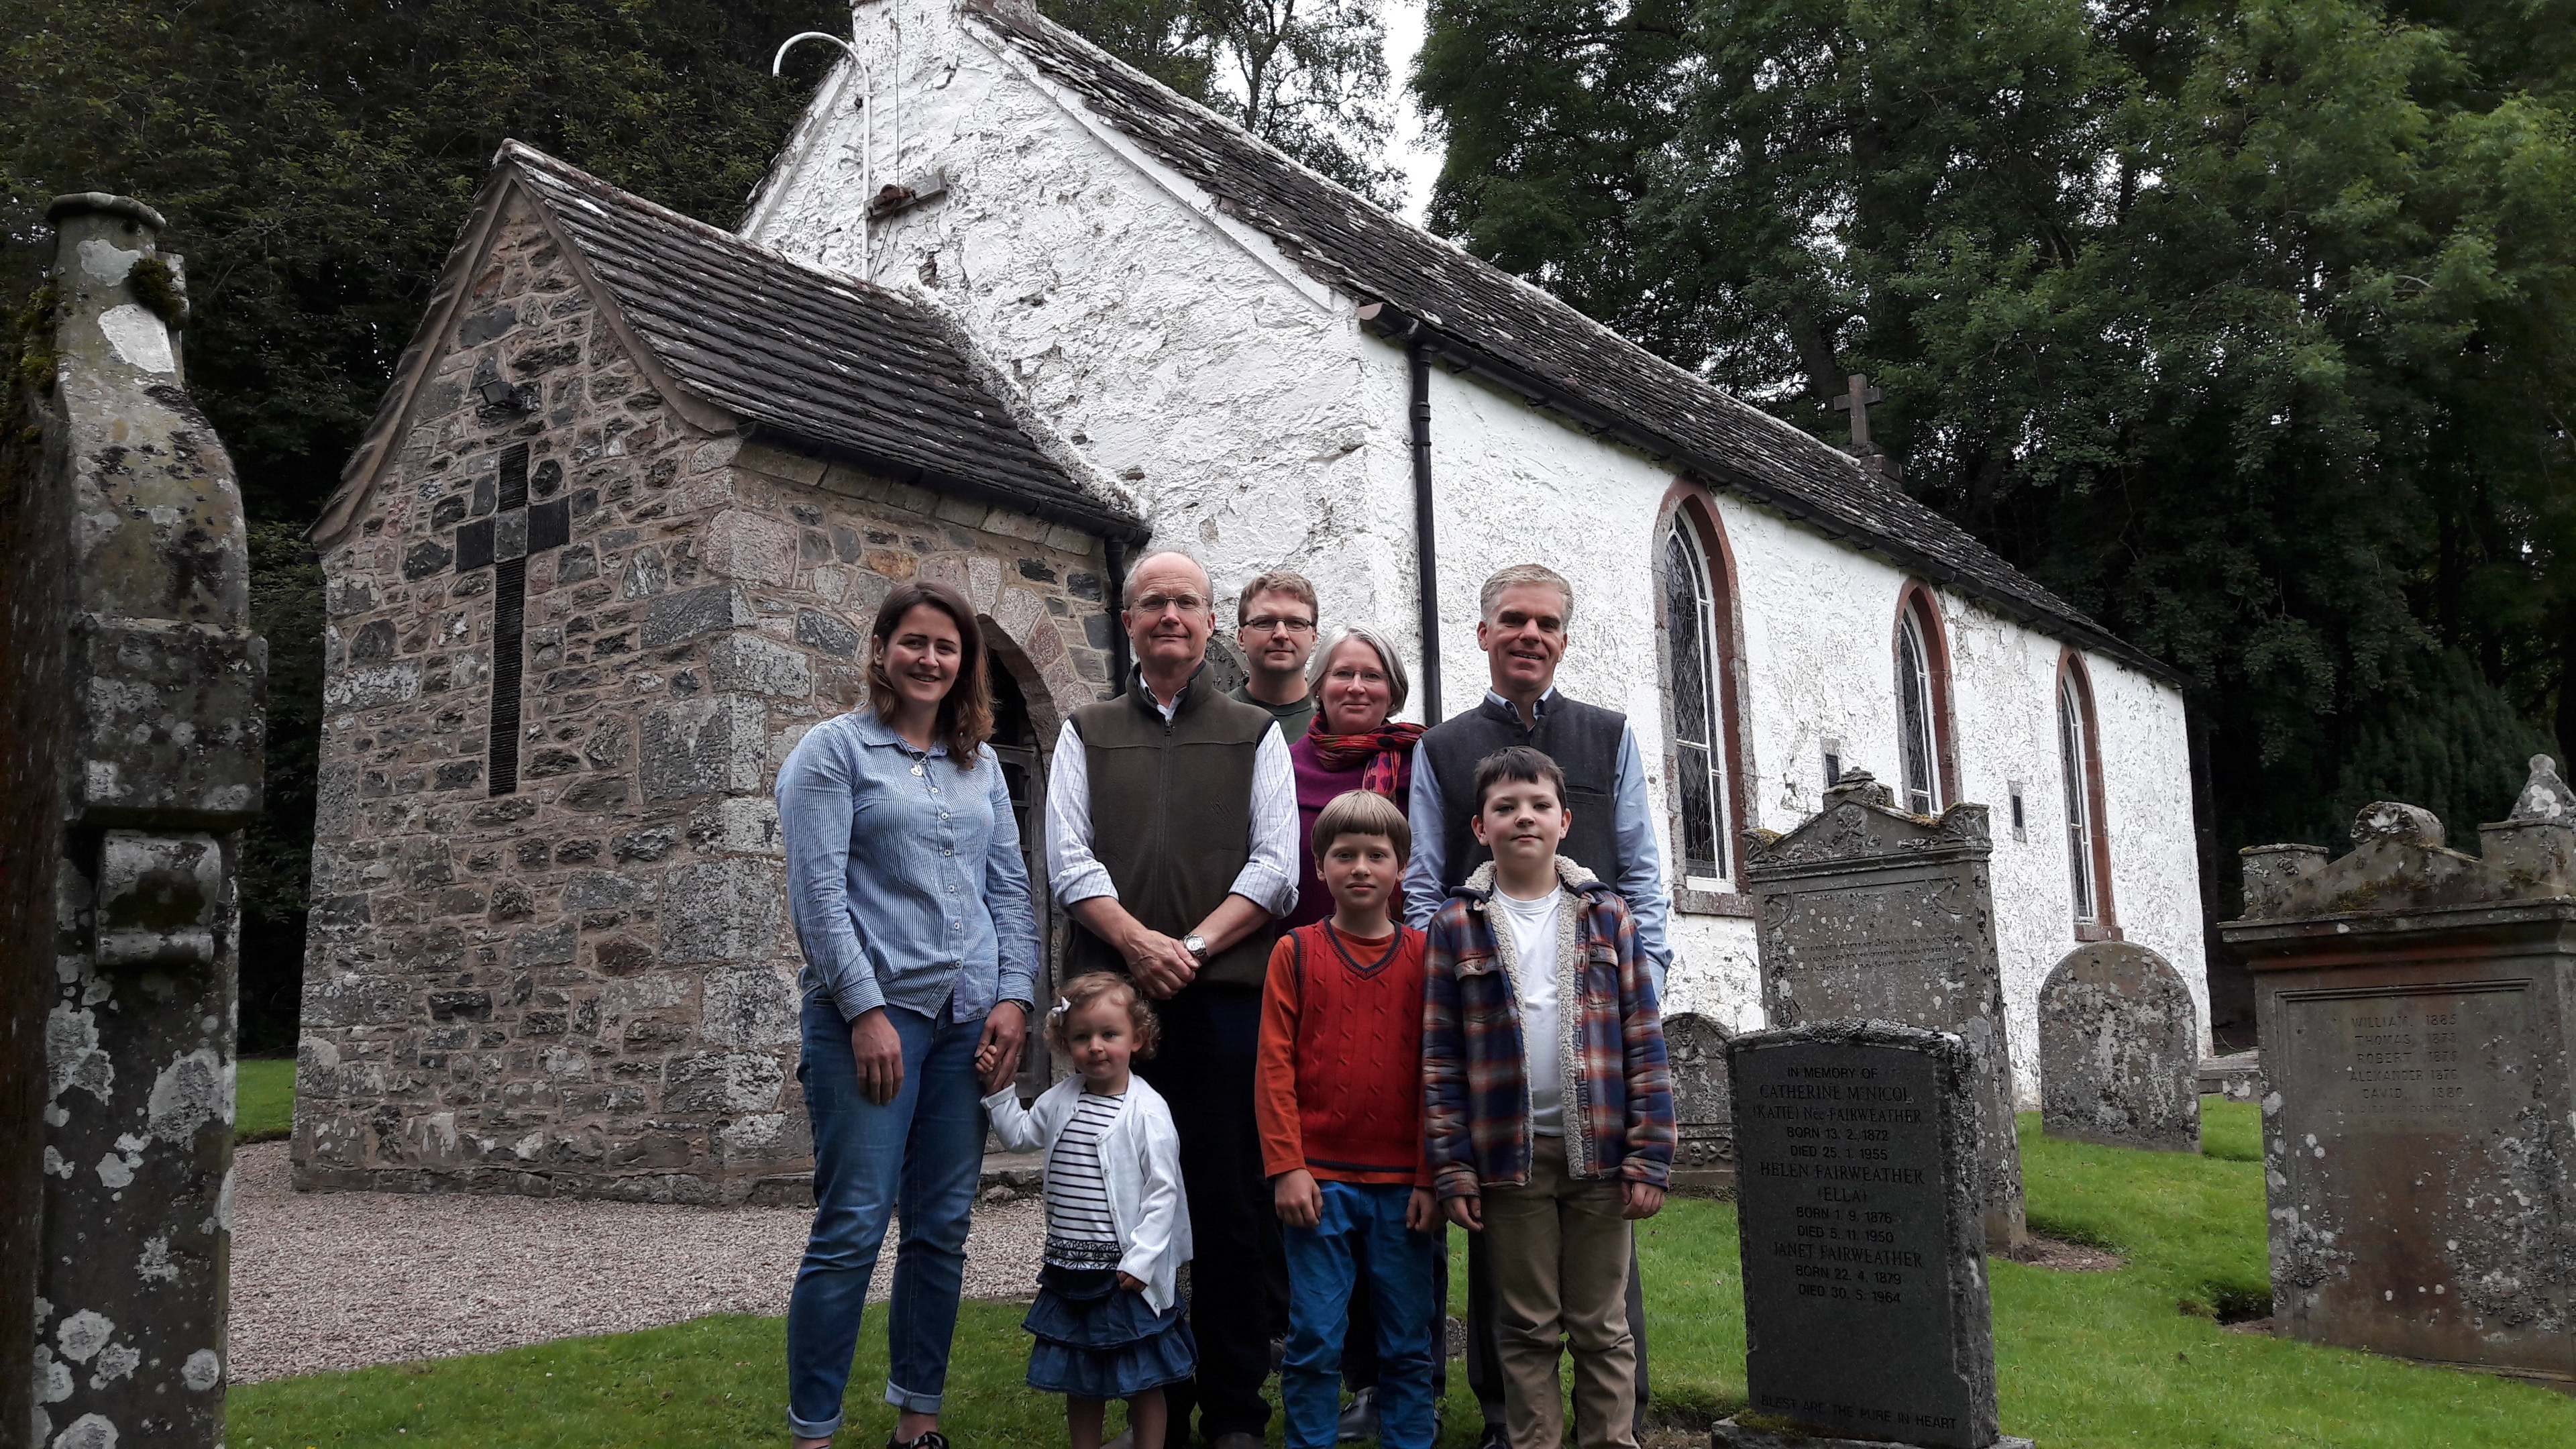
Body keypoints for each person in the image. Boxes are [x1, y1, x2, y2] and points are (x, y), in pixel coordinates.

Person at [1402, 562, 1670, 1449]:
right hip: (1494, 1050)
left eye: (1545, 623)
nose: (1528, 634)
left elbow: (1641, 868)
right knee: (1511, 1302)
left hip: (1599, 1046)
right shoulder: (1441, 751)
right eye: (1511, 619)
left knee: (1603, 1308)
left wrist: (1643, 991)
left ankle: (1613, 1429)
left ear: (1563, 637)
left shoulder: (1609, 737)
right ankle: (1507, 1425)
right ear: (1483, 633)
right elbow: (1417, 889)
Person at [1044, 549, 1299, 1449]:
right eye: (1153, 604)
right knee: (1125, 1209)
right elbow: (1070, 861)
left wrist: (1186, 948)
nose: (1171, 618)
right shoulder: (1085, 729)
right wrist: (1137, 945)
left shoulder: (1253, 732)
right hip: (1117, 1007)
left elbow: (1275, 868)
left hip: (1224, 1000)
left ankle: (1232, 1409)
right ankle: (1158, 1406)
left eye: (1187, 603)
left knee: (1227, 1209)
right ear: (1129, 621)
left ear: (1209, 623)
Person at [777, 580, 1039, 1449]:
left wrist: (1014, 997)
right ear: (883, 649)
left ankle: (917, 1423)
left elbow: (1008, 886)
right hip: (872, 1025)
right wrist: (864, 1011)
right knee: (852, 1226)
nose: (930, 659)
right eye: (914, 642)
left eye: (947, 647)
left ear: (965, 664)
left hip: (969, 1020)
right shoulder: (832, 754)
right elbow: (817, 895)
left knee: (939, 1229)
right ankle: (815, 1430)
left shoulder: (981, 767)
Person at [1256, 790, 1441, 1449]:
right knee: (1312, 1339)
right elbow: (1274, 1068)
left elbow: (1438, 1073)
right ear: (1319, 867)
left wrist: (1429, 1177)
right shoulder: (1295, 952)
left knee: (1407, 1342)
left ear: (1400, 869)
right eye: (1344, 855)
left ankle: (1411, 1440)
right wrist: (1287, 1168)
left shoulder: (1427, 958)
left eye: (1376, 855)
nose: (1360, 867)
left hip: (1403, 1189)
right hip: (1318, 1184)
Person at [985, 975, 1196, 1449]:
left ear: (1136, 1039)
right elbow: (1020, 1136)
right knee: (1081, 1375)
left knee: (1142, 1375)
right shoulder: (1061, 1100)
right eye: (1082, 1037)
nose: (1096, 1047)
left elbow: (1165, 1193)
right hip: (1069, 1267)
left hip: (1123, 1273)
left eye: (1109, 1035)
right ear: (1065, 1043)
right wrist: (998, 1093)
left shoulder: (1147, 1111)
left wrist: (1142, 1260)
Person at [1281, 625, 1423, 933]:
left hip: (1403, 954)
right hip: (1298, 954)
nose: (1356, 687)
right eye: (1343, 674)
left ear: (1393, 691)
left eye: (1372, 676)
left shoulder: (1421, 766)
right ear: (1318, 685)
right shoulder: (1283, 766)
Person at [1230, 570, 1322, 743]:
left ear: (1314, 637)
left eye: (1296, 623)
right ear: (1241, 638)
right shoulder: (1214, 720)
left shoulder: (1334, 722)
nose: (1281, 634)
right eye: (1265, 622)